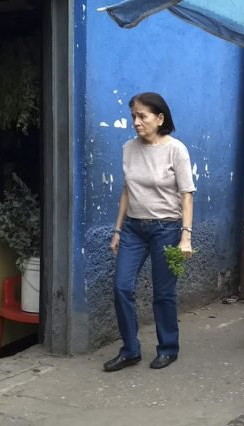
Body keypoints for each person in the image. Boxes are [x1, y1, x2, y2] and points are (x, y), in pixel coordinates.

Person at [106, 92, 195, 372]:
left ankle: (168, 348)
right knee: (121, 287)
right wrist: (118, 230)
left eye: (142, 116)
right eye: (134, 115)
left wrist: (185, 237)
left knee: (163, 293)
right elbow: (126, 189)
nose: (136, 121)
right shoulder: (128, 148)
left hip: (166, 229)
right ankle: (130, 350)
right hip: (133, 228)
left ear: (160, 118)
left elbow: (187, 195)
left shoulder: (175, 149)